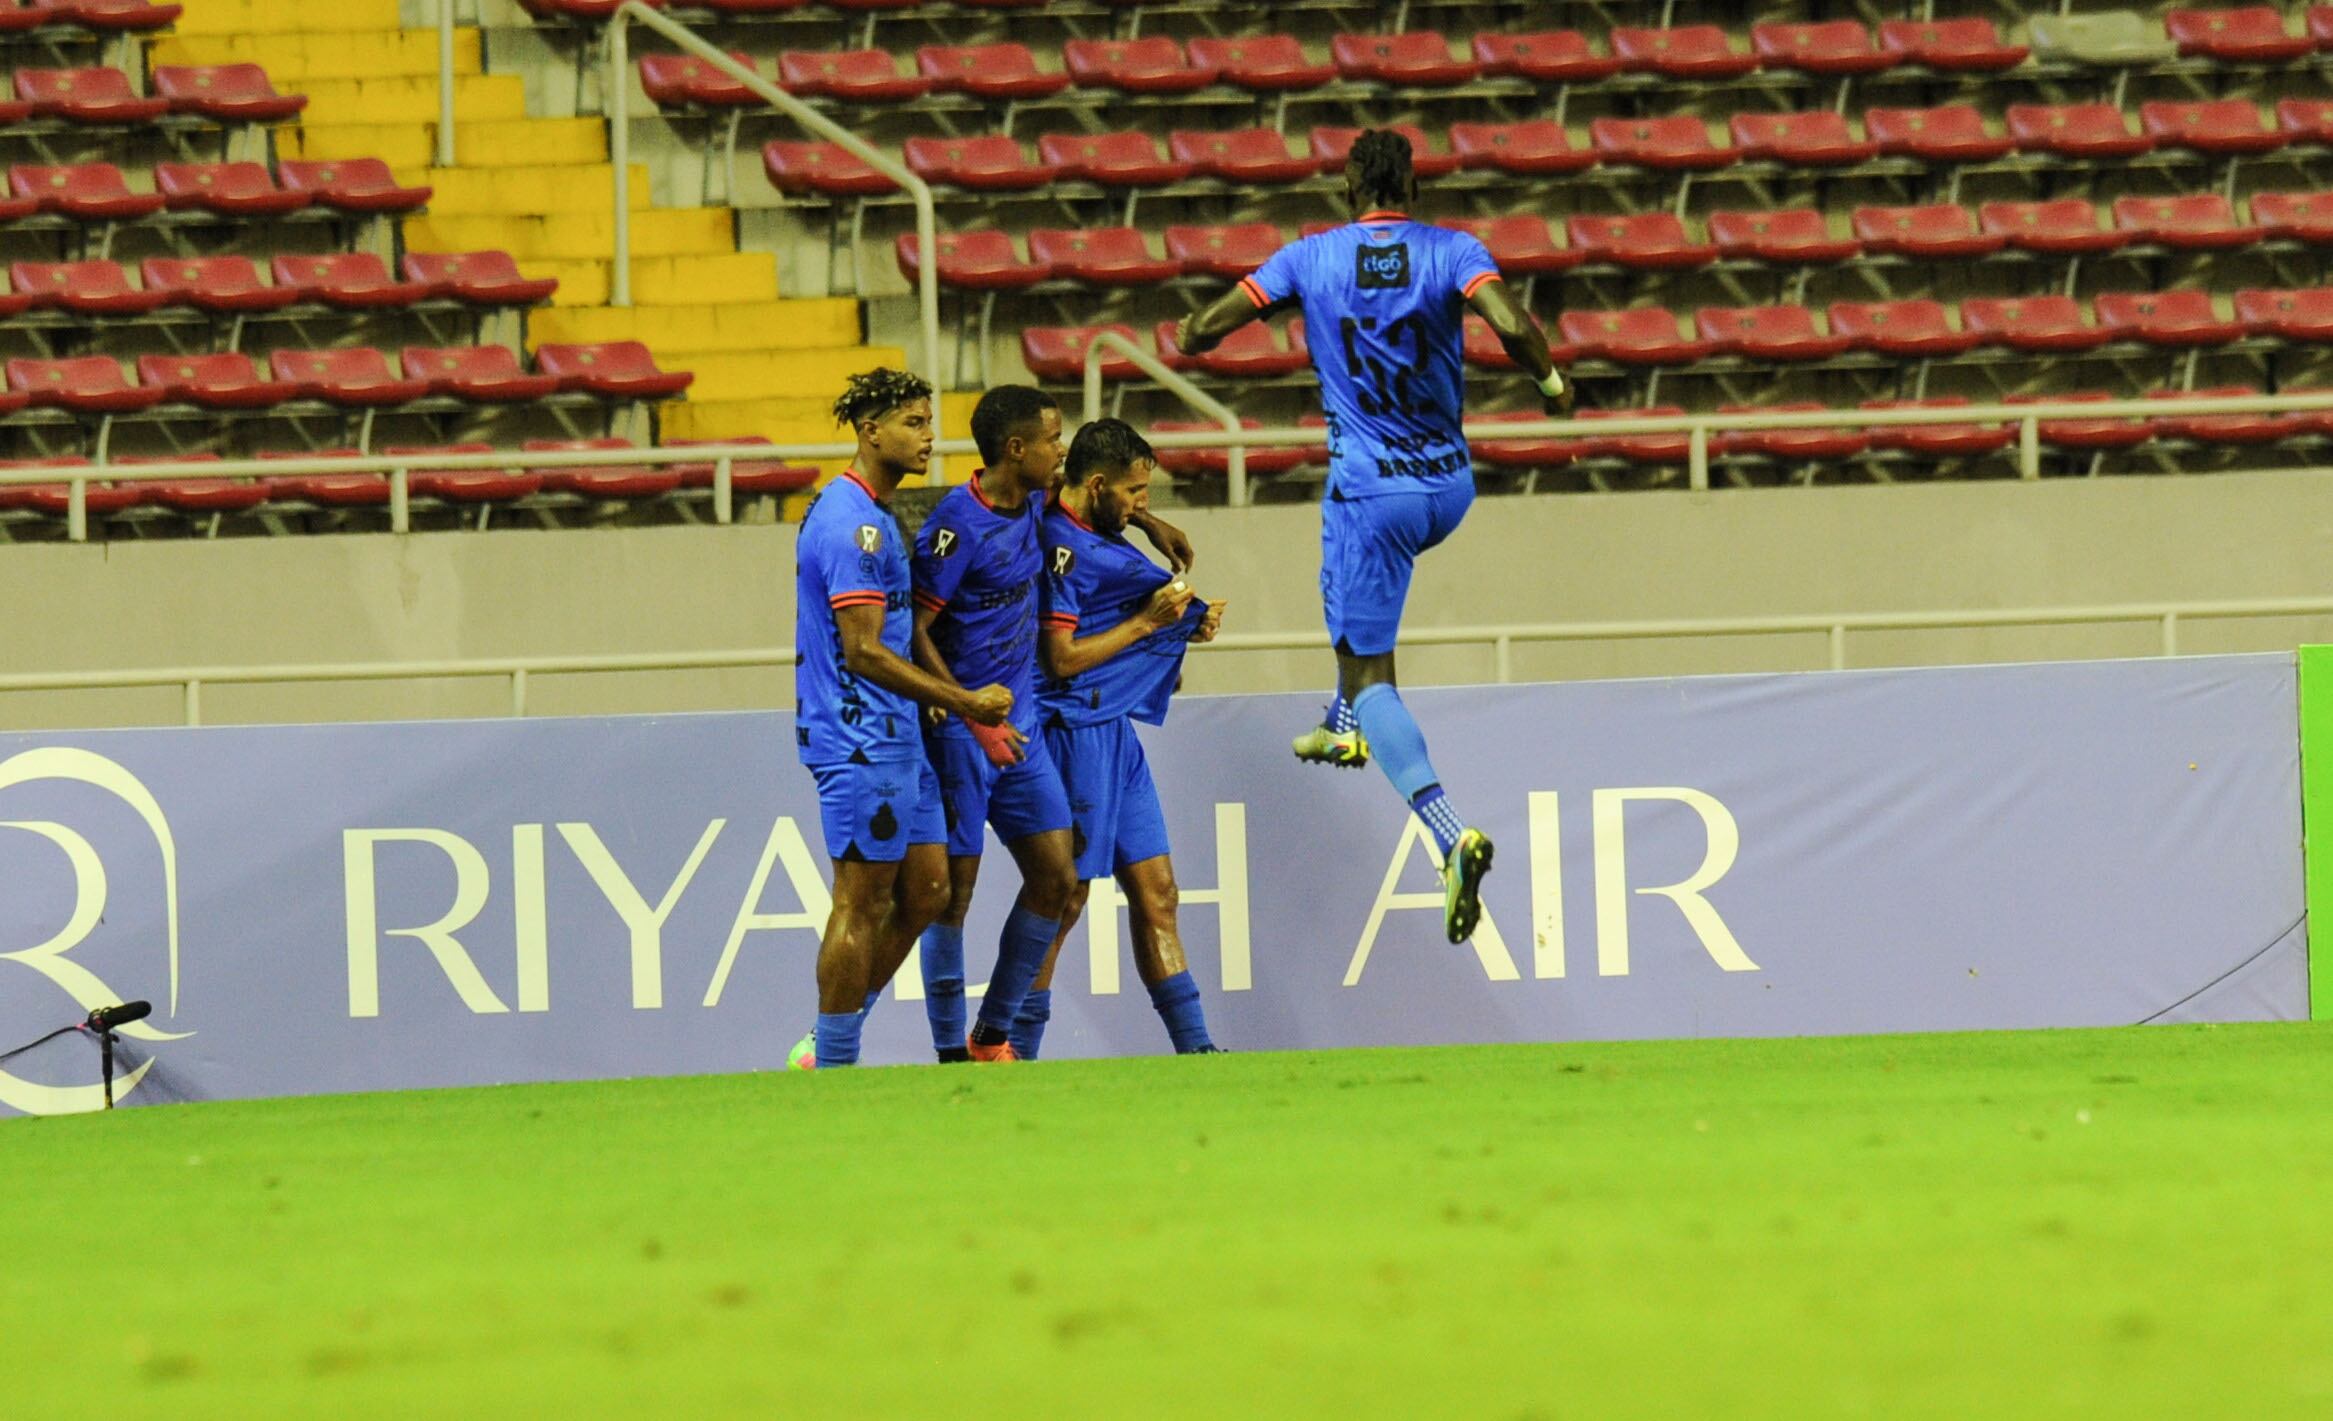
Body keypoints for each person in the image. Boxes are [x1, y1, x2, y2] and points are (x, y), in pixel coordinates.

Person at [1172, 128, 1571, 944]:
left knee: (1372, 665)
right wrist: (1553, 382)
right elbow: (1514, 324)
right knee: (1339, 524)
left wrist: (1193, 329)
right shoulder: (1452, 251)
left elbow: (1208, 327)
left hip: (1375, 493)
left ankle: (1446, 829)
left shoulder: (1308, 257)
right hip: (1446, 485)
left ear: (1348, 186)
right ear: (1412, 188)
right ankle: (1342, 721)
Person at [909, 386, 1199, 1063]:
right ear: (1019, 449)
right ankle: (972, 1049)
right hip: (998, 726)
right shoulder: (981, 527)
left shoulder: (1037, 503)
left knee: (1093, 882)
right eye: (1050, 439)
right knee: (964, 895)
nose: (1058, 449)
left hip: (1058, 727)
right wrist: (959, 703)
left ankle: (1003, 1040)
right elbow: (924, 628)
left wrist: (1148, 523)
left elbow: (1086, 509)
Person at [787, 369, 1013, 1070]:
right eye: (913, 422)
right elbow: (860, 651)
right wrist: (963, 701)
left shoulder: (878, 515)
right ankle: (833, 1061)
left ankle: (828, 1040)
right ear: (869, 430)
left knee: (927, 890)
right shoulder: (851, 527)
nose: (928, 436)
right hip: (859, 738)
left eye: (928, 420)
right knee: (859, 901)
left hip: (896, 737)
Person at [1008, 419, 1225, 1059]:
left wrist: (1145, 525)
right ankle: (1013, 1053)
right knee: (1065, 897)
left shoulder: (1073, 506)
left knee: (1158, 892)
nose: (1142, 503)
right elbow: (1061, 660)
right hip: (1071, 728)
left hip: (1114, 733)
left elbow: (1077, 499)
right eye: (1135, 493)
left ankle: (1197, 1053)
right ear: (1098, 484)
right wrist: (1149, 622)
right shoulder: (1060, 549)